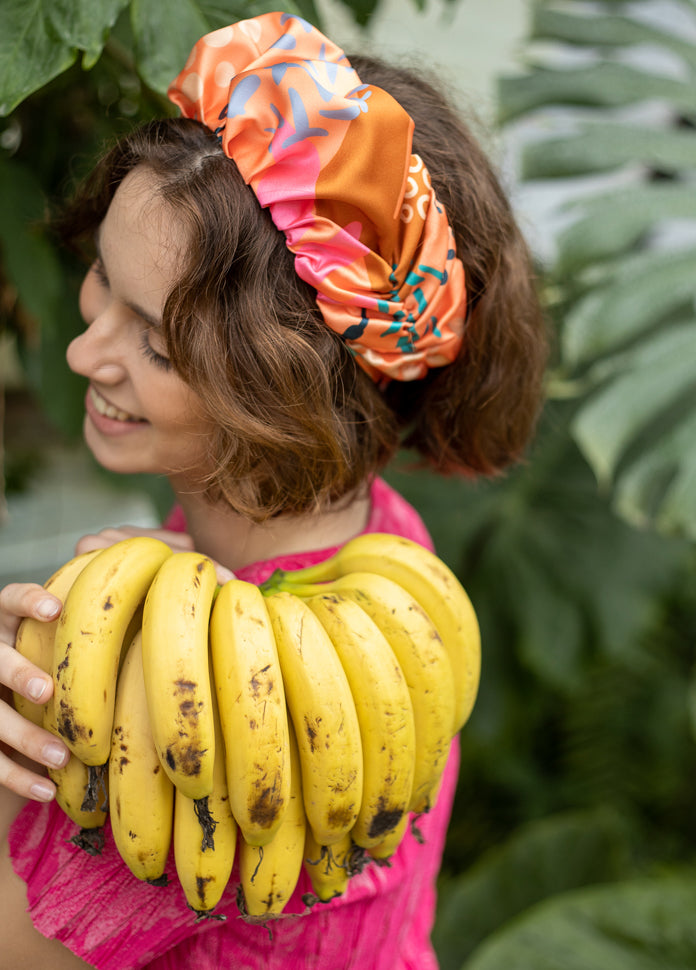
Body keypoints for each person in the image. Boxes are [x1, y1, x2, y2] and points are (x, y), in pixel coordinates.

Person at [0, 12, 547, 969]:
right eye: (100, 279)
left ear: (288, 393)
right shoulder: (374, 542)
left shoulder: (219, 711)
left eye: (159, 346)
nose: (85, 352)